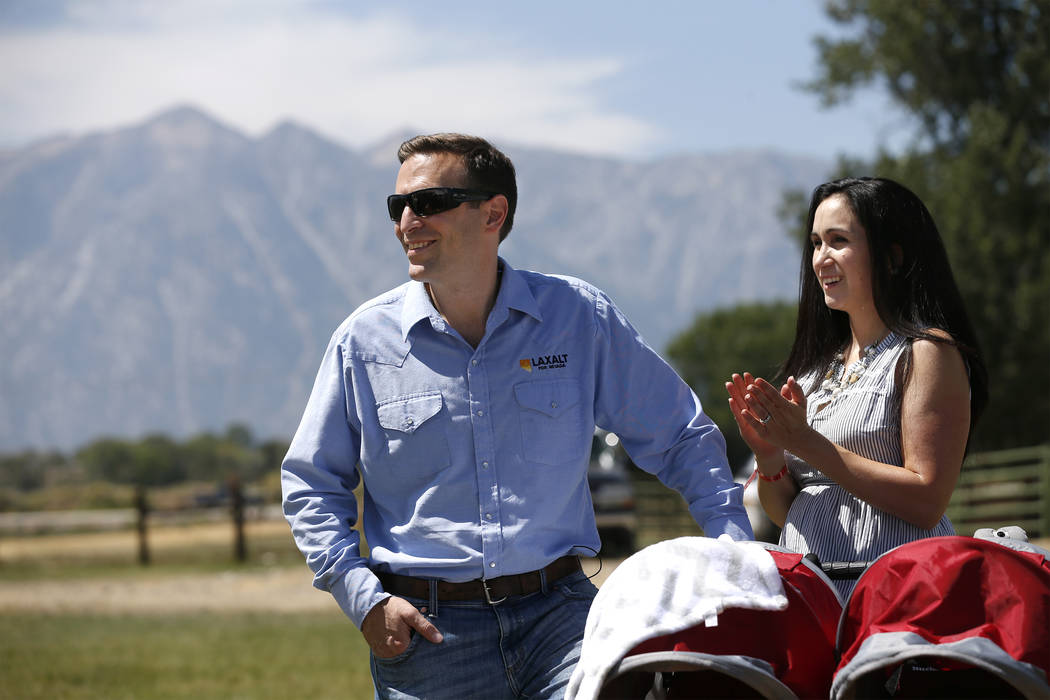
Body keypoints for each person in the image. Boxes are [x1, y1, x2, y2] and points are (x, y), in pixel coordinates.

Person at [282, 132, 753, 699]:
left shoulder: (578, 316)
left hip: (565, 621)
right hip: (429, 637)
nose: (407, 220)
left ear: (493, 212)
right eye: (397, 206)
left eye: (428, 202)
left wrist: (736, 554)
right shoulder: (362, 342)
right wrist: (363, 598)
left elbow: (679, 435)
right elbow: (311, 482)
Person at [726, 176, 987, 598]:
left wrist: (805, 441)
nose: (821, 259)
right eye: (815, 243)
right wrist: (769, 453)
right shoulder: (813, 369)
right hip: (811, 598)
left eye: (838, 241)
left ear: (892, 257)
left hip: (895, 600)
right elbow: (783, 511)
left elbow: (927, 499)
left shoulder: (926, 353)